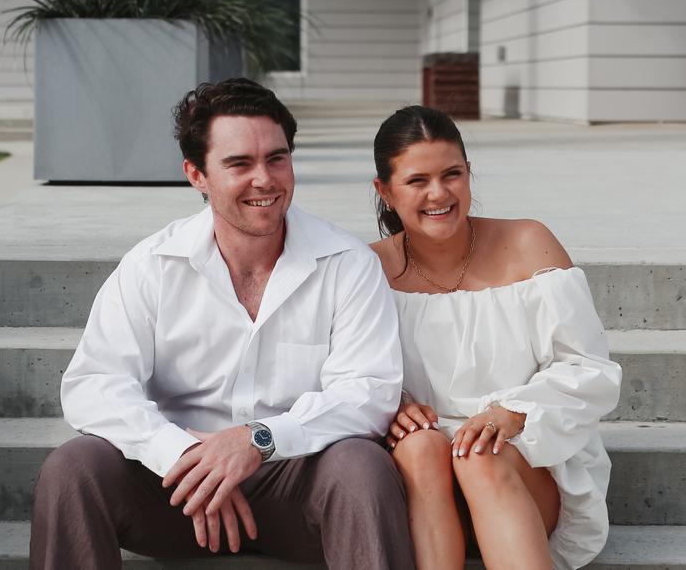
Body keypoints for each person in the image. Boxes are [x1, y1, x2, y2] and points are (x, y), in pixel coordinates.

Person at [29, 78, 416, 570]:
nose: (265, 179)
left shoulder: (347, 263)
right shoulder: (153, 266)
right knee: (73, 467)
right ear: (197, 174)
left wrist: (256, 440)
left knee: (362, 467)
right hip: (179, 495)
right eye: (239, 164)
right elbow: (94, 384)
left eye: (276, 158)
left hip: (298, 485)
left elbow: (369, 391)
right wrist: (183, 455)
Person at [367, 105, 623, 570]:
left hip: (520, 464)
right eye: (417, 180)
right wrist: (392, 405)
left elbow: (588, 368)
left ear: (469, 173)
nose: (439, 193)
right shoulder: (367, 269)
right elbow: (341, 373)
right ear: (384, 191)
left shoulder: (528, 244)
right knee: (421, 446)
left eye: (452, 174)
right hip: (419, 487)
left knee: (478, 455)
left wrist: (512, 412)